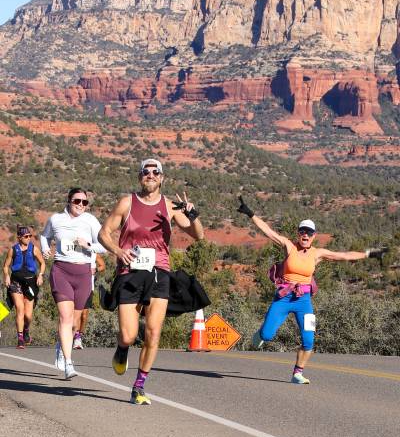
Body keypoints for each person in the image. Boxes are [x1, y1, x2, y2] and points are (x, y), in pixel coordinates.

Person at [237, 196, 387, 384]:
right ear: (298, 234)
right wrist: (250, 213)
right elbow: (268, 231)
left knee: (309, 340)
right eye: (302, 231)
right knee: (266, 336)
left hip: (304, 301)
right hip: (283, 298)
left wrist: (369, 254)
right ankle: (261, 333)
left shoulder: (317, 253)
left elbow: (344, 255)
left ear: (314, 235)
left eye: (309, 232)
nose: (305, 235)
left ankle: (297, 373)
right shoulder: (289, 246)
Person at [98, 158, 204, 405]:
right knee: (128, 335)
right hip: (130, 272)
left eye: (156, 172)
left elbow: (198, 235)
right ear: (140, 177)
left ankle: (139, 386)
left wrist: (193, 214)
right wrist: (117, 250)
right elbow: (103, 233)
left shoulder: (170, 207)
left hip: (159, 272)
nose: (151, 175)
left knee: (153, 332)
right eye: (146, 171)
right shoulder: (127, 203)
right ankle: (122, 348)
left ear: (162, 178)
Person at [40, 188, 106, 379]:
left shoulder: (90, 221)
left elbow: (104, 245)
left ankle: (62, 346)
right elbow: (45, 236)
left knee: (75, 323)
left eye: (85, 202)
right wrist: (45, 248)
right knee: (65, 317)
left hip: (83, 274)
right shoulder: (56, 219)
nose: (81, 205)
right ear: (69, 201)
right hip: (61, 271)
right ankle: (68, 362)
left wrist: (88, 245)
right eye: (77, 201)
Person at [2, 226, 45, 348]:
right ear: (19, 237)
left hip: (31, 283)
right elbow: (6, 266)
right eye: (26, 236)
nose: (29, 238)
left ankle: (26, 329)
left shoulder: (34, 249)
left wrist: (40, 275)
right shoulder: (13, 250)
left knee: (28, 315)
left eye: (30, 236)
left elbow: (42, 263)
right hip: (16, 283)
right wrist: (7, 276)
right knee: (20, 309)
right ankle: (20, 339)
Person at [72, 253, 106, 349]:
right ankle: (76, 337)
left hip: (88, 287)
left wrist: (95, 269)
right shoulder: (76, 252)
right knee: (77, 313)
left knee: (84, 315)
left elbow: (103, 265)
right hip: (76, 286)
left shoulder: (93, 254)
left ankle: (79, 336)